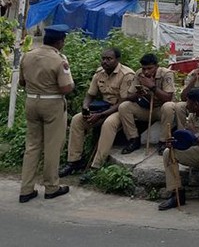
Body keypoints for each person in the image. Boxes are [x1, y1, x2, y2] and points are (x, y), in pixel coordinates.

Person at [18, 24, 75, 203]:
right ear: (59, 42)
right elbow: (65, 88)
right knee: (52, 147)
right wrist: (72, 86)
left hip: (31, 101)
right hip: (52, 103)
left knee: (32, 146)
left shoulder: (27, 56)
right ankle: (51, 187)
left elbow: (21, 82)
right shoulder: (59, 60)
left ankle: (26, 189)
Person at [59, 48, 135, 177]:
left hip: (120, 109)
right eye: (103, 59)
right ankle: (74, 161)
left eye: (109, 59)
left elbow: (123, 102)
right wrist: (85, 107)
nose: (105, 62)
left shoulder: (127, 75)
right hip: (102, 108)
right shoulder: (99, 73)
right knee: (77, 120)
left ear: (117, 60)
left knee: (108, 124)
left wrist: (100, 115)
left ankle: (96, 165)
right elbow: (90, 95)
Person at [117, 53, 175, 156]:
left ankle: (163, 142)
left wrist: (152, 87)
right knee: (124, 106)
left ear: (157, 66)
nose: (146, 72)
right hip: (145, 108)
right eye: (144, 69)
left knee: (169, 107)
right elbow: (129, 96)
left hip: (160, 110)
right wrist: (139, 93)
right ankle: (133, 139)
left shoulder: (166, 74)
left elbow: (168, 98)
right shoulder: (139, 74)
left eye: (149, 68)